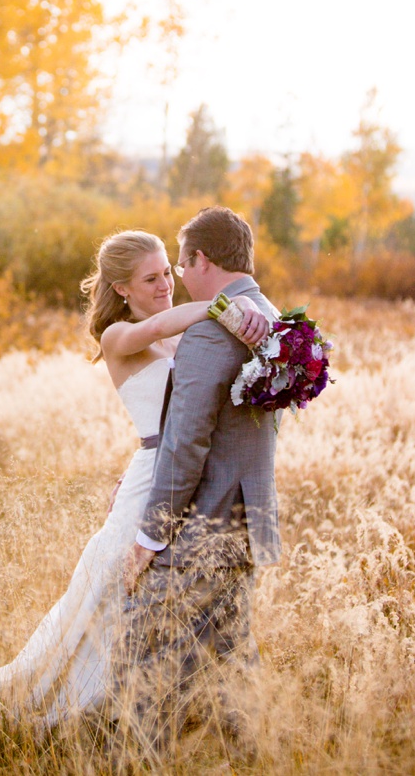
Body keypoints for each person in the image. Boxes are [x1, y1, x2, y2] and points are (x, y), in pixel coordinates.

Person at [0, 229, 269, 725]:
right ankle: (78, 709)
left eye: (167, 273)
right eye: (150, 279)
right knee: (107, 600)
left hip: (171, 475)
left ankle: (141, 704)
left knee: (144, 603)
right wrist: (219, 306)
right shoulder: (120, 336)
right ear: (122, 289)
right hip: (151, 484)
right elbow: (158, 335)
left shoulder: (183, 333)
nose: (164, 285)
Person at [117, 207, 281, 757]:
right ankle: (251, 760)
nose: (177, 280)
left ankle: (142, 764)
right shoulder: (268, 315)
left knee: (143, 663)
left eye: (181, 266)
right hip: (248, 517)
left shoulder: (216, 329)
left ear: (202, 260)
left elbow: (186, 441)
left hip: (201, 526)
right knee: (232, 660)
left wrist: (149, 536)